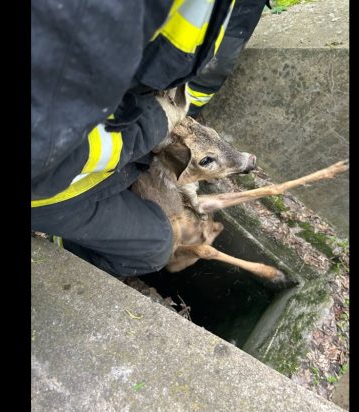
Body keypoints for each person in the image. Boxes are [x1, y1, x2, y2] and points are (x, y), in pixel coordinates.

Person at [31, 0, 268, 277]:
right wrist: (151, 126)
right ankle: (70, 255)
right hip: (51, 186)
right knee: (156, 248)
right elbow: (43, 152)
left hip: (115, 141)